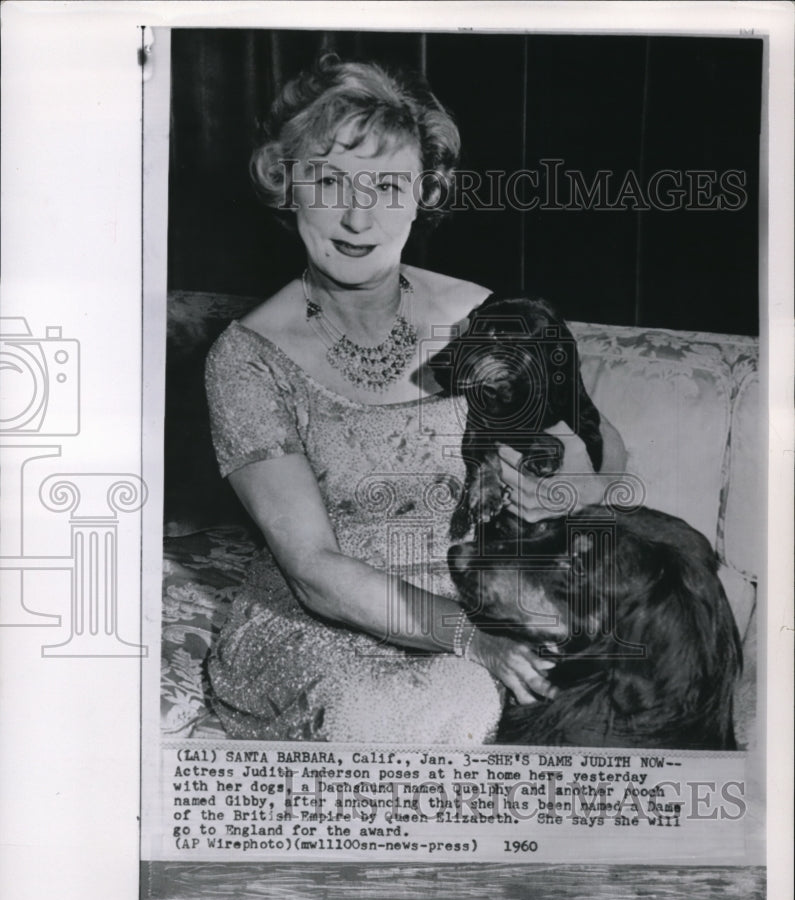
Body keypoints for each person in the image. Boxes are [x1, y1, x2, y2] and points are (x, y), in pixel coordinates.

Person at [204, 53, 627, 743]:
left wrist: (578, 485)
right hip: (325, 625)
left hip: (495, 596)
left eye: (387, 185)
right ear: (287, 187)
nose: (357, 214)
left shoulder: (482, 314)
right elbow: (312, 569)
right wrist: (472, 640)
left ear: (423, 193)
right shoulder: (247, 357)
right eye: (329, 180)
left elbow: (601, 441)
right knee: (436, 702)